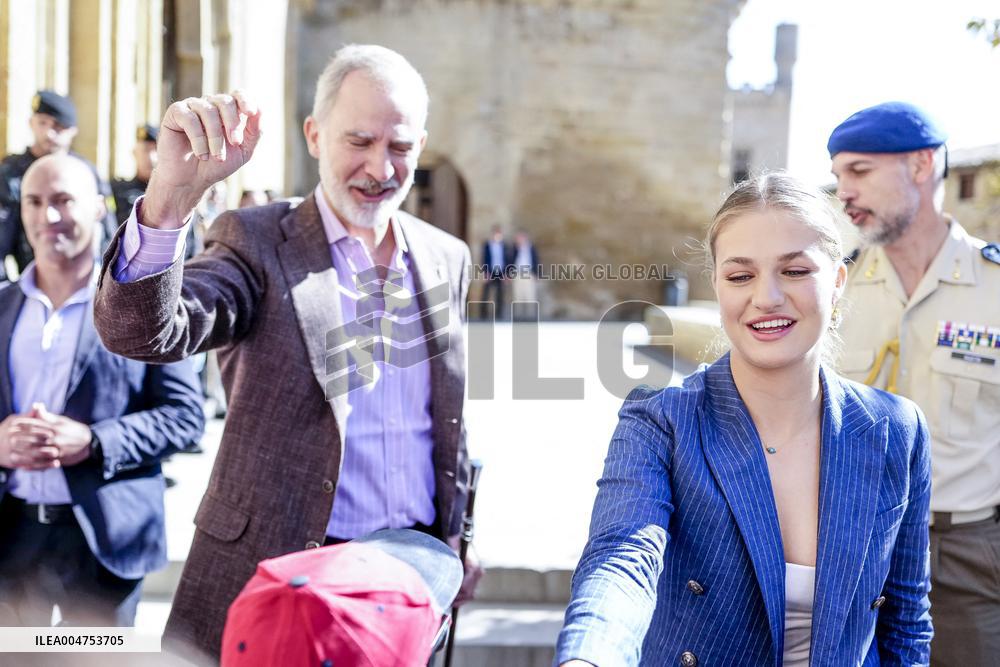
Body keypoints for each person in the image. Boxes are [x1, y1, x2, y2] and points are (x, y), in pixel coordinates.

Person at [91, 44, 479, 661]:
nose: (381, 167)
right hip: (276, 578)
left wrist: (458, 539)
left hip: (403, 588)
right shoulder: (256, 242)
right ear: (315, 135)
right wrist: (169, 199)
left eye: (400, 147)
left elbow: (444, 424)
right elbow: (144, 333)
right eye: (359, 141)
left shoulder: (446, 257)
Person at [556, 173, 932, 666]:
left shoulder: (897, 431)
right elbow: (620, 560)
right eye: (740, 276)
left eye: (795, 271)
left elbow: (906, 622)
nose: (767, 297)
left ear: (838, 281)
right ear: (716, 285)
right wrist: (589, 657)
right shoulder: (660, 422)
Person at [0, 154, 205, 627]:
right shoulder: (3, 307)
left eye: (62, 200)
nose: (46, 216)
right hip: (12, 538)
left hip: (105, 542)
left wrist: (93, 443)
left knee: (98, 658)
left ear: (97, 207)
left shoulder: (144, 307)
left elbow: (184, 414)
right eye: (33, 201)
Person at [829, 101, 1000, 666]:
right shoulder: (835, 289)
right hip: (854, 549)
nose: (843, 191)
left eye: (859, 172)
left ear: (921, 167)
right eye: (837, 176)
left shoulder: (995, 287)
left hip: (965, 556)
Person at [0, 91, 116, 279]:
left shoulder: (85, 172)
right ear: (31, 123)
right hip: (29, 277)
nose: (49, 133)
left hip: (82, 280)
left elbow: (108, 235)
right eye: (42, 123)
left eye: (58, 126)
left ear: (73, 131)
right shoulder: (10, 173)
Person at [480, 224, 510, 319]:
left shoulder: (505, 246)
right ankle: (483, 315)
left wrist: (506, 274)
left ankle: (499, 314)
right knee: (486, 293)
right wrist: (485, 272)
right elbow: (484, 259)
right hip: (490, 271)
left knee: (500, 294)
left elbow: (507, 260)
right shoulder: (487, 245)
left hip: (501, 272)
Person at [510, 228, 540, 320]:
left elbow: (536, 261)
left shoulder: (531, 248)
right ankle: (518, 317)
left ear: (525, 237)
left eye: (520, 237)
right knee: (517, 296)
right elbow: (510, 261)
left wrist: (537, 274)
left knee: (530, 296)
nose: (519, 239)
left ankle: (530, 317)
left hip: (529, 274)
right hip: (518, 274)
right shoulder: (514, 249)